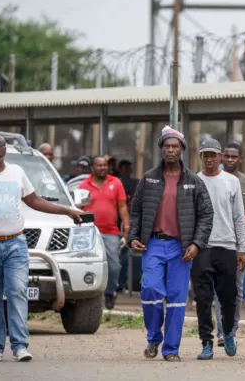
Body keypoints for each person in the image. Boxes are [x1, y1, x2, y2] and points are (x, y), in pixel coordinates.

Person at [0, 133, 84, 362]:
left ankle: (20, 346)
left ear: (5, 148)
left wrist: (68, 211)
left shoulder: (17, 172)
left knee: (17, 292)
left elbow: (35, 201)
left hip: (16, 243)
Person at [128, 126, 214, 362]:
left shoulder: (194, 181)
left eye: (175, 146)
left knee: (176, 299)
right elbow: (135, 211)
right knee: (150, 290)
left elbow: (206, 214)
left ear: (182, 150)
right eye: (167, 146)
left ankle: (171, 349)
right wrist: (133, 237)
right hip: (153, 243)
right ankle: (154, 337)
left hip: (181, 247)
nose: (171, 150)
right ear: (161, 149)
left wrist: (197, 243)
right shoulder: (149, 178)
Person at [193, 138, 245, 360]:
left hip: (227, 246)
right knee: (203, 298)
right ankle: (206, 341)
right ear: (201, 157)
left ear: (219, 157)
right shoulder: (194, 181)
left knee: (228, 296)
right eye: (205, 155)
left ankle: (228, 333)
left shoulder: (231, 181)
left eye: (213, 155)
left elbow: (238, 217)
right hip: (201, 247)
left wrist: (242, 248)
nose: (209, 159)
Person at [213, 142, 245, 346]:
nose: (230, 160)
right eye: (227, 156)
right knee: (218, 289)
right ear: (222, 157)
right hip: (214, 243)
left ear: (240, 159)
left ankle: (232, 328)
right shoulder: (211, 179)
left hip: (240, 244)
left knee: (237, 290)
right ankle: (221, 332)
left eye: (234, 157)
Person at [78, 156, 129, 310]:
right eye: (99, 165)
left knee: (114, 266)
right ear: (92, 168)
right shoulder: (83, 186)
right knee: (87, 264)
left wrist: (126, 229)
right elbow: (79, 209)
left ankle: (110, 292)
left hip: (111, 232)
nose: (102, 168)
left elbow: (122, 207)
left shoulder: (116, 183)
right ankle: (86, 295)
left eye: (105, 165)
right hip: (89, 232)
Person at [117, 159, 139, 293]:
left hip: (130, 223)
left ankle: (122, 284)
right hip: (116, 224)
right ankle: (117, 285)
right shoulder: (115, 183)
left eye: (128, 168)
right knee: (120, 257)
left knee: (125, 256)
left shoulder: (135, 183)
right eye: (124, 168)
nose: (127, 170)